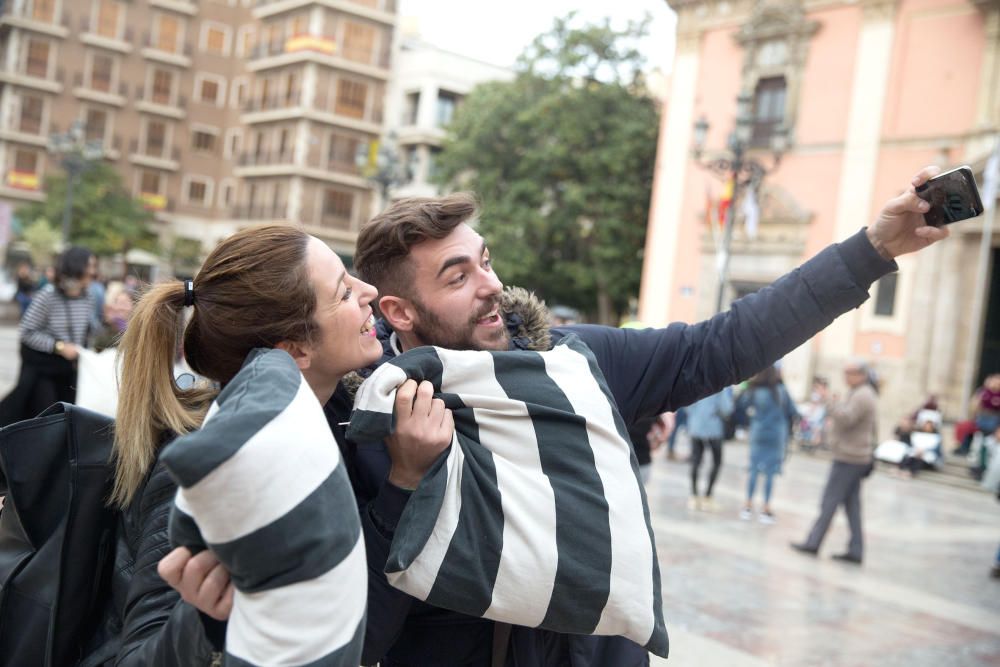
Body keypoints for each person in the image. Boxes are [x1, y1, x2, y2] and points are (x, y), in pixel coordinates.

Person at [167, 166, 946, 666]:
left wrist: (873, 249)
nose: (489, 285)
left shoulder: (577, 361)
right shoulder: (357, 422)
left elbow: (726, 341)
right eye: (457, 274)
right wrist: (407, 480)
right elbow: (360, 626)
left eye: (485, 260)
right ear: (399, 308)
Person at [81, 225, 399, 664]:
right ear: (295, 350)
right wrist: (204, 618)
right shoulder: (213, 462)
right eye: (343, 293)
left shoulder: (332, 421)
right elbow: (136, 655)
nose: (369, 291)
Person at [792, 359, 879, 565]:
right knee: (852, 507)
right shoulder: (860, 393)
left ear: (861, 374)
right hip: (852, 456)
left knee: (829, 501)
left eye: (849, 373)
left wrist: (827, 401)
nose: (845, 377)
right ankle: (856, 550)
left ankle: (813, 543)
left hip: (850, 458)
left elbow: (847, 418)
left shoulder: (863, 395)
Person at [0, 246, 95, 427]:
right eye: (90, 266)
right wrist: (58, 346)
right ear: (77, 266)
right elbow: (27, 331)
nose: (93, 271)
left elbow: (85, 331)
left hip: (70, 370)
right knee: (44, 419)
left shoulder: (88, 297)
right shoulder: (48, 296)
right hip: (44, 368)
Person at [737, 366, 798, 523]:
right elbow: (793, 411)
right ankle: (766, 508)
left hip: (758, 433)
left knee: (754, 469)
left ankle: (748, 505)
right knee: (771, 472)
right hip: (776, 435)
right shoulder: (781, 391)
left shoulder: (755, 390)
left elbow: (741, 405)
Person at [684, 388, 734, 511]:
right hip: (713, 428)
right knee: (717, 462)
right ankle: (707, 496)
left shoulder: (697, 382)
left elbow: (687, 406)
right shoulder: (720, 386)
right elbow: (726, 408)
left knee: (696, 461)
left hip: (695, 426)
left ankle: (694, 496)